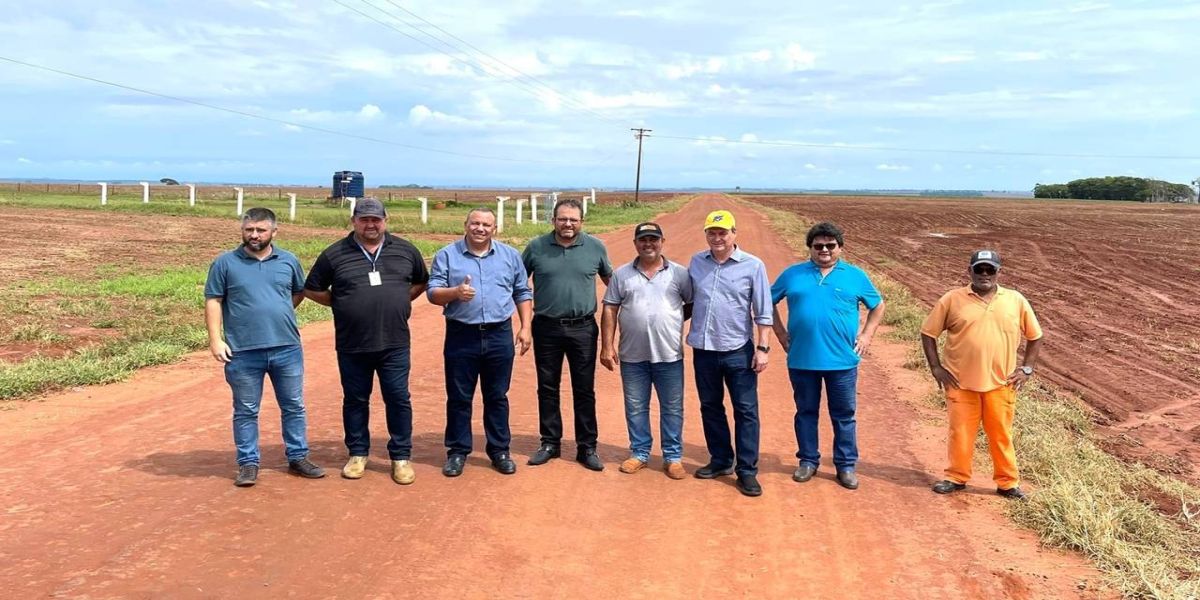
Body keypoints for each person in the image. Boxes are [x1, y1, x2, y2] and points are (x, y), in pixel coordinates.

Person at [304, 198, 429, 485]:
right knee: (355, 400)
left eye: (376, 219)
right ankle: (358, 454)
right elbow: (312, 288)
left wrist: (400, 298)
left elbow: (421, 281)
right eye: (364, 219)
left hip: (395, 342)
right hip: (353, 343)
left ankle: (401, 457)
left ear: (385, 220)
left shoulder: (405, 250)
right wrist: (342, 302)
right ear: (354, 221)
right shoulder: (334, 254)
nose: (370, 224)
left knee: (398, 398)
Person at [204, 207, 325, 487]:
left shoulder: (289, 260)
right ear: (242, 231)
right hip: (243, 351)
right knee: (246, 409)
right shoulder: (225, 263)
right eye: (249, 230)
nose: (255, 235)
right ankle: (248, 463)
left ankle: (298, 457)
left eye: (261, 230)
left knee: (293, 405)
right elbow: (213, 300)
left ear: (274, 232)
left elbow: (298, 292)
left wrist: (277, 311)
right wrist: (215, 339)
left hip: (287, 347)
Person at [770, 222, 885, 491]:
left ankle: (845, 465)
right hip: (802, 359)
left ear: (840, 248)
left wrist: (866, 335)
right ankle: (808, 461)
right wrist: (780, 333)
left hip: (842, 361)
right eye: (818, 245)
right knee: (806, 412)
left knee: (843, 415)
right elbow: (767, 301)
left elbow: (878, 305)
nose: (824, 250)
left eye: (830, 245)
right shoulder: (793, 274)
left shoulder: (855, 276)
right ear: (810, 248)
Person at [921, 249, 1043, 500]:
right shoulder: (951, 299)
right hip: (960, 383)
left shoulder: (1015, 300)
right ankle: (956, 477)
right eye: (979, 269)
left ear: (999, 272)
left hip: (1001, 383)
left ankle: (1007, 483)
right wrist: (936, 367)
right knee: (961, 433)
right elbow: (928, 333)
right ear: (970, 271)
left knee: (1001, 434)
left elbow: (1035, 336)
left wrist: (1027, 368)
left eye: (990, 270)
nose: (984, 274)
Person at [427, 208, 532, 477]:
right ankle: (457, 451)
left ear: (494, 229)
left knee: (497, 395)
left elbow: (522, 291)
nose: (480, 229)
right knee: (459, 396)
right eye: (475, 223)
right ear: (466, 225)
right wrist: (455, 292)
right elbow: (433, 293)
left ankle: (499, 450)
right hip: (461, 335)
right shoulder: (447, 255)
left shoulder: (510, 256)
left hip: (499, 334)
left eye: (486, 225)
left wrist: (525, 327)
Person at [521, 198, 613, 471]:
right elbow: (517, 281)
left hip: (583, 328)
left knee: (584, 389)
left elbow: (613, 283)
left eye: (573, 219)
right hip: (546, 327)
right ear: (553, 221)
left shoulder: (595, 247)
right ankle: (550, 443)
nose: (568, 224)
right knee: (547, 387)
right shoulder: (536, 247)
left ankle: (587, 447)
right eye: (562, 219)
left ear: (582, 221)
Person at [687, 209, 773, 497]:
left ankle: (747, 470)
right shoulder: (697, 262)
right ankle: (721, 459)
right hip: (704, 349)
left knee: (746, 410)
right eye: (712, 233)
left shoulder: (753, 265)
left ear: (734, 233)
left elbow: (763, 310)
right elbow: (687, 300)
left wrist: (762, 348)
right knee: (710, 406)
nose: (717, 238)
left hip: (738, 349)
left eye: (723, 232)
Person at [600, 222, 693, 480]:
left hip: (669, 355)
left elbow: (691, 303)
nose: (648, 244)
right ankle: (639, 453)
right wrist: (606, 346)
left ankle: (672, 457)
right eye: (643, 240)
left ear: (662, 242)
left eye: (653, 239)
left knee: (672, 408)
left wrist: (671, 320)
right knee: (635, 406)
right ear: (635, 243)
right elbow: (610, 308)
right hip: (632, 355)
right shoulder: (621, 275)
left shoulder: (679, 274)